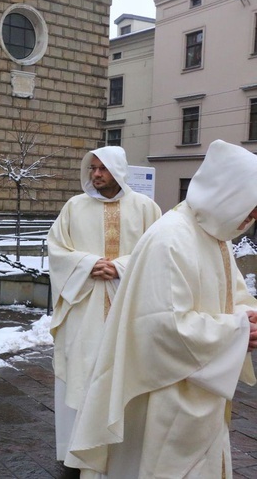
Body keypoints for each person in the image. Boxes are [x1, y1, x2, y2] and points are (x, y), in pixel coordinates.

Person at [66, 140, 257, 478]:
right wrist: (237, 330)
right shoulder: (172, 238)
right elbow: (165, 328)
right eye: (251, 205)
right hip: (167, 396)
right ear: (228, 195)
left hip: (201, 393)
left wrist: (248, 316)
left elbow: (233, 292)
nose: (254, 215)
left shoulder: (214, 235)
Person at [47, 145, 161, 471]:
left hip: (129, 311)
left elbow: (158, 254)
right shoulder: (74, 207)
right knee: (82, 377)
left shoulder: (146, 209)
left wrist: (121, 267)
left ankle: (123, 453)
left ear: (119, 171)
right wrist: (85, 265)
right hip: (84, 313)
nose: (95, 174)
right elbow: (56, 249)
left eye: (102, 169)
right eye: (92, 169)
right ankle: (78, 451)